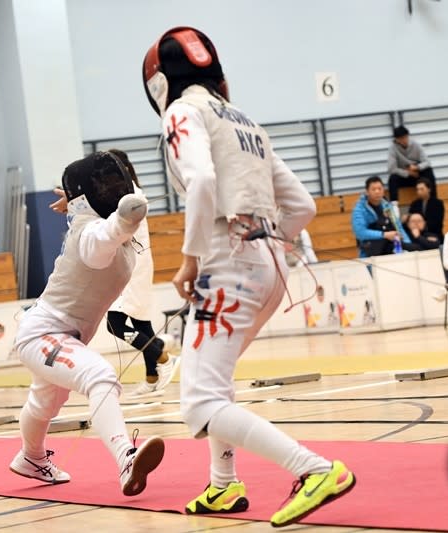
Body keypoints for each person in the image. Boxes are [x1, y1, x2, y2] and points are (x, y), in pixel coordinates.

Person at [142, 26, 355, 528]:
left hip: (226, 264)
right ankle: (222, 485)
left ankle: (316, 470)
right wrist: (266, 242)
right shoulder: (245, 121)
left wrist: (192, 258)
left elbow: (201, 181)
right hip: (270, 264)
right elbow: (302, 205)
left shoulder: (182, 112)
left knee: (197, 402)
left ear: (157, 83)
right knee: (213, 384)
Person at [10, 151, 164, 496]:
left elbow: (127, 206)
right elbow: (107, 233)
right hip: (43, 334)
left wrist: (82, 201)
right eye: (103, 185)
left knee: (45, 401)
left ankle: (30, 458)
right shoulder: (91, 234)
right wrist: (115, 218)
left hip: (62, 335)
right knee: (100, 377)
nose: (111, 189)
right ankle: (126, 458)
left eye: (114, 182)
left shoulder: (93, 217)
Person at [49, 149, 180, 399]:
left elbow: (106, 216)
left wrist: (75, 201)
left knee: (115, 323)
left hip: (134, 266)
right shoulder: (123, 196)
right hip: (131, 264)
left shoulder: (131, 197)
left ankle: (160, 352)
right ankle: (153, 376)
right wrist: (73, 199)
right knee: (141, 323)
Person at [351, 176, 410, 257]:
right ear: (367, 192)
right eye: (374, 189)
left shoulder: (387, 205)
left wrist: (407, 243)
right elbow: (360, 233)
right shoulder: (359, 209)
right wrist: (384, 235)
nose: (377, 191)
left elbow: (398, 227)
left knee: (412, 248)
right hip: (371, 251)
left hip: (391, 246)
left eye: (379, 188)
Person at [387, 126, 437, 204]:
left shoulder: (415, 144)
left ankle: (434, 200)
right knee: (392, 178)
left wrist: (417, 167)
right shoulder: (392, 149)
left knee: (429, 171)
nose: (404, 140)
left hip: (418, 174)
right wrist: (408, 173)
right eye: (401, 138)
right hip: (405, 176)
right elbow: (391, 169)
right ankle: (394, 205)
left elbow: (427, 162)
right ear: (396, 140)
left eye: (406, 137)